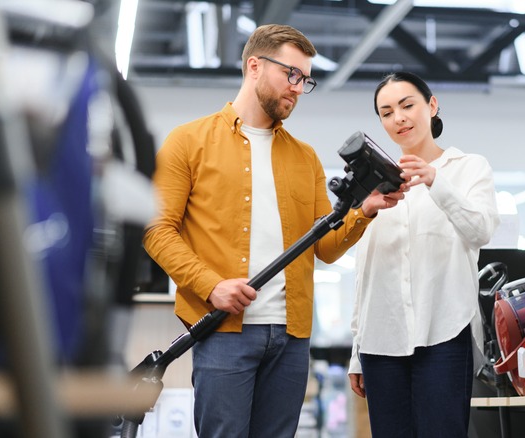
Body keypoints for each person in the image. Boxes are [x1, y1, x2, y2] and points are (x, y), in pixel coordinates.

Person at [142, 24, 404, 438]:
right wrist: (211, 285)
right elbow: (156, 230)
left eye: (306, 80)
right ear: (255, 66)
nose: (299, 88)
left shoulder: (305, 158)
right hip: (223, 329)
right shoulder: (187, 142)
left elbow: (326, 248)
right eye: (292, 75)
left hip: (292, 336)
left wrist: (364, 211)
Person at [348, 71, 500, 437]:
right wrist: (356, 350)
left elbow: (480, 230)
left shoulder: (468, 168)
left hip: (444, 332)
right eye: (386, 112)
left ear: (431, 106)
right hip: (381, 340)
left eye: (406, 105)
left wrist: (435, 181)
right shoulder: (372, 184)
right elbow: (366, 272)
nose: (398, 118)